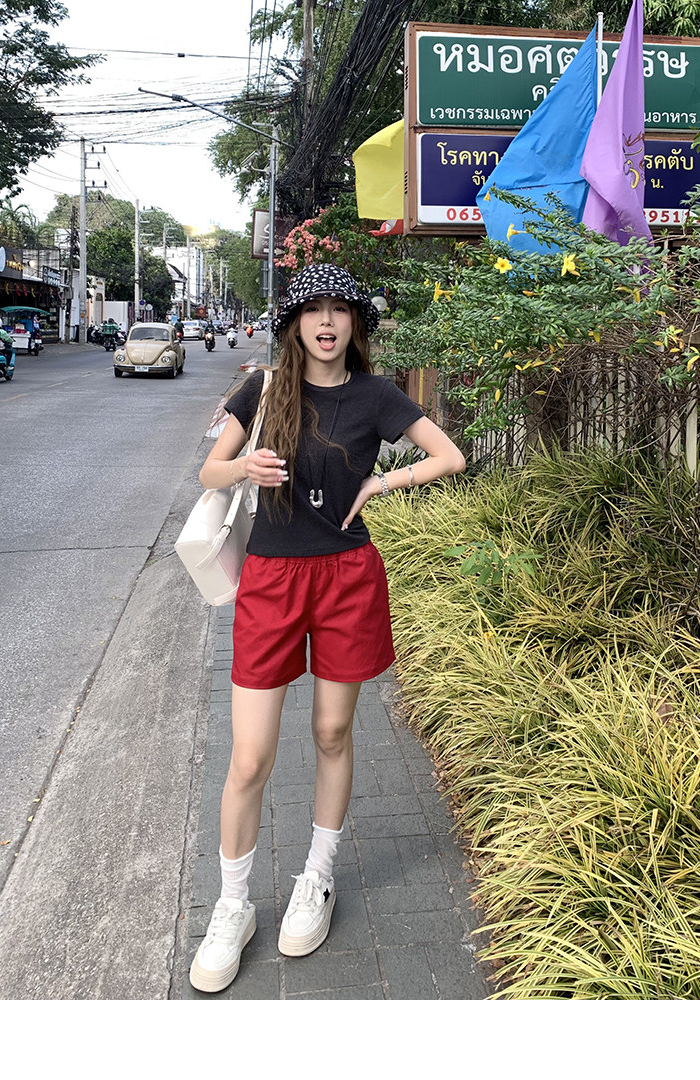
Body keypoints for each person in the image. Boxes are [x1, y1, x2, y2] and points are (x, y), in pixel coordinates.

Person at [189, 262, 466, 994]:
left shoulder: (377, 395)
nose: (326, 321)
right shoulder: (262, 389)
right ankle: (233, 904)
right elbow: (209, 473)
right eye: (312, 309)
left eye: (340, 309)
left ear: (355, 323)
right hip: (272, 581)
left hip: (346, 577)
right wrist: (244, 467)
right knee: (250, 756)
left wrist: (384, 480)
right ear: (293, 323)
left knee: (333, 733)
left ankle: (316, 876)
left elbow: (450, 455)